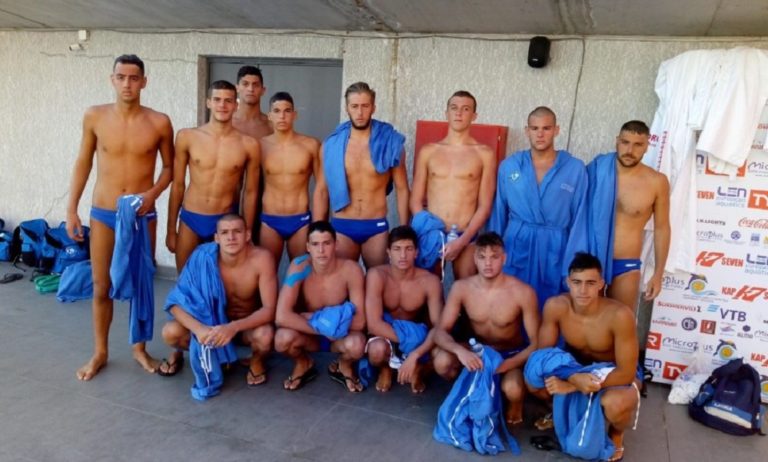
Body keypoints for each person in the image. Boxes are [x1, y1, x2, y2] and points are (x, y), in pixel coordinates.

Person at [66, 54, 174, 381]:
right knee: (102, 285)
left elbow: (169, 168)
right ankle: (100, 351)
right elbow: (83, 162)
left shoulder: (159, 122)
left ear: (144, 82)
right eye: (121, 77)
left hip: (142, 213)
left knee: (141, 282)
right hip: (104, 212)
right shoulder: (95, 116)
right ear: (112, 79)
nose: (127, 84)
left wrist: (151, 195)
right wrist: (71, 209)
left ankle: (139, 348)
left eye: (134, 78)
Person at [528, 252, 639, 462]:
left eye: (590, 283)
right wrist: (571, 377)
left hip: (612, 374)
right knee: (534, 380)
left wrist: (572, 386)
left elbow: (626, 373)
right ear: (567, 282)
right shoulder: (556, 306)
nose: (583, 290)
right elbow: (544, 355)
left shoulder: (620, 315)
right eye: (577, 282)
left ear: (601, 284)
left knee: (615, 404)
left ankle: (616, 433)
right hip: (575, 368)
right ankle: (560, 413)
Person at [433, 232, 539, 424]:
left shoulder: (523, 292)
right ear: (475, 259)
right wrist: (460, 351)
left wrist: (506, 365)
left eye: (494, 257)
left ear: (504, 259)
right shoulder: (461, 288)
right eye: (482, 257)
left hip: (508, 354)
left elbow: (536, 343)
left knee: (513, 389)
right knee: (442, 362)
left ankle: (514, 404)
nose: (488, 263)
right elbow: (440, 332)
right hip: (477, 353)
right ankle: (470, 388)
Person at [160, 214, 277, 386]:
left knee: (265, 335)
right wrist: (199, 330)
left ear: (247, 235)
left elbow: (269, 310)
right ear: (216, 238)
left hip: (245, 328)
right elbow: (175, 304)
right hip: (211, 328)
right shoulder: (202, 257)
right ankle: (211, 355)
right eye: (224, 232)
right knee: (170, 332)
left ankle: (256, 361)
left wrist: (232, 327)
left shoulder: (262, 259)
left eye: (237, 231)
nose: (231, 237)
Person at [489, 106, 588, 310]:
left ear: (556, 130)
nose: (540, 134)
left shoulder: (575, 168)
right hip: (516, 245)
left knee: (550, 306)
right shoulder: (510, 166)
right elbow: (499, 213)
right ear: (527, 131)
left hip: (555, 248)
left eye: (546, 128)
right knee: (510, 304)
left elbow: (580, 220)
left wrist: (574, 263)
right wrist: (492, 253)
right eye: (535, 128)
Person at [166, 80, 260, 272]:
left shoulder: (248, 144)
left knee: (220, 281)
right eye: (217, 99)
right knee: (185, 279)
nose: (222, 105)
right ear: (208, 102)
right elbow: (177, 185)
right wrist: (170, 230)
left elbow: (250, 192)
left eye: (228, 101)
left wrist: (247, 231)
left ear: (236, 105)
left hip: (225, 221)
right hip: (191, 218)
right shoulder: (187, 137)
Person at [313, 82, 410, 268]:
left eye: (365, 106)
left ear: (373, 107)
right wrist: (317, 232)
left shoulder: (390, 143)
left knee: (377, 279)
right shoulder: (331, 145)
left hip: (375, 226)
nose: (360, 112)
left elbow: (402, 189)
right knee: (342, 282)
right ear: (347, 108)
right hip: (342, 225)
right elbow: (321, 191)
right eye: (354, 106)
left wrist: (404, 230)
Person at [409, 91, 496, 279]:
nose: (459, 113)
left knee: (466, 285)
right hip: (432, 232)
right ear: (446, 113)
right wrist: (427, 230)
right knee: (427, 287)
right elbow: (415, 200)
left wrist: (463, 240)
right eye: (454, 108)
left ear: (474, 116)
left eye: (466, 109)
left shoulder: (484, 154)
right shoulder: (429, 151)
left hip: (466, 233)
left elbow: (485, 206)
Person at [587, 120, 671, 312]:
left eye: (638, 145)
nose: (630, 150)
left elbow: (662, 228)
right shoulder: (597, 169)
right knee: (586, 322)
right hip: (590, 259)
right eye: (625, 142)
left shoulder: (657, 182)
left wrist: (658, 274)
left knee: (622, 322)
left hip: (626, 264)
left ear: (647, 146)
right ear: (617, 141)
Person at [274, 221, 366, 392]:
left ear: (336, 245)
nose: (321, 250)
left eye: (326, 243)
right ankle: (303, 362)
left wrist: (314, 318)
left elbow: (360, 322)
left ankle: (343, 364)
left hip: (338, 337)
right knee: (282, 339)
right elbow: (281, 316)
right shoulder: (299, 266)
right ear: (308, 247)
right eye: (315, 244)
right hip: (311, 335)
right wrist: (326, 326)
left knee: (357, 345)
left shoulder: (351, 270)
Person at [364, 226, 443, 393]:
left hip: (418, 334)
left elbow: (439, 327)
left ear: (416, 252)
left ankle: (419, 368)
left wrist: (415, 353)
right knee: (376, 351)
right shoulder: (377, 275)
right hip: (388, 333)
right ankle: (386, 368)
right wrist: (408, 340)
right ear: (388, 252)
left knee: (441, 355)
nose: (402, 255)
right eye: (397, 249)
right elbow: (373, 324)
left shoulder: (430, 281)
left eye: (408, 249)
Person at [258, 92, 320, 264]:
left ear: (295, 115)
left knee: (302, 272)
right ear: (269, 116)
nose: (282, 116)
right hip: (270, 219)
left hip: (300, 219)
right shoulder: (260, 146)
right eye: (277, 111)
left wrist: (319, 225)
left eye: (287, 111)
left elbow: (322, 188)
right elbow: (249, 188)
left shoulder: (310, 145)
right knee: (267, 271)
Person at [232, 66, 273, 139]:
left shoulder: (271, 125)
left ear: (263, 90)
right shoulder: (227, 123)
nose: (250, 89)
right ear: (237, 88)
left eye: (256, 85)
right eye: (245, 84)